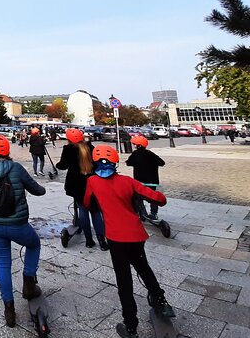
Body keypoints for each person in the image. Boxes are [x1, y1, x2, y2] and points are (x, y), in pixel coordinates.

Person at [83, 145, 174, 338]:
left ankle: (131, 326)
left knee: (124, 282)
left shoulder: (92, 181)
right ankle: (161, 300)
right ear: (115, 163)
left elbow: (86, 202)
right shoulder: (128, 181)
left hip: (116, 238)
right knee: (143, 268)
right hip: (135, 235)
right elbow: (159, 199)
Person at [0, 134, 46, 328]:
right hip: (17, 224)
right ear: (7, 150)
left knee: (3, 263)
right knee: (34, 244)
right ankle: (28, 283)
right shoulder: (16, 168)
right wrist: (40, 189)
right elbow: (36, 189)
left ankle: (9, 309)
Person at [56, 128, 107, 250]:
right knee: (95, 212)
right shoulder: (90, 147)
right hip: (92, 183)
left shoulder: (69, 149)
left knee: (83, 211)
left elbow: (63, 165)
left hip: (76, 185)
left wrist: (58, 165)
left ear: (69, 139)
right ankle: (102, 241)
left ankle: (89, 240)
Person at [125, 135, 165, 220]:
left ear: (138, 145)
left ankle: (142, 213)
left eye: (135, 144)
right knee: (152, 197)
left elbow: (128, 163)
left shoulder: (135, 154)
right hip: (152, 181)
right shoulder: (150, 154)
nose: (134, 146)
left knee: (138, 197)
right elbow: (162, 162)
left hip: (140, 181)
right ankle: (153, 214)